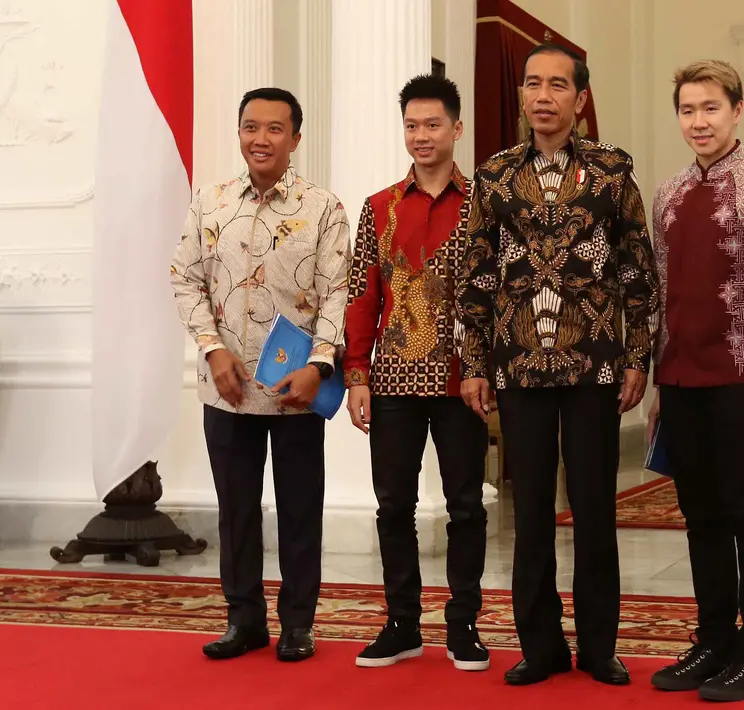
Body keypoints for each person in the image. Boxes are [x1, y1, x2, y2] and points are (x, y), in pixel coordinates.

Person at [454, 43, 659, 687]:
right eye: (532, 84)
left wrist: (636, 356)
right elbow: (477, 274)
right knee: (531, 511)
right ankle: (540, 646)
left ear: (580, 98)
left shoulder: (610, 172)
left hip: (595, 365)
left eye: (557, 86)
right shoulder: (494, 176)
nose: (543, 96)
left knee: (596, 507)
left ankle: (600, 646)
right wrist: (475, 362)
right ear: (521, 96)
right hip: (518, 365)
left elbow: (637, 270)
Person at [170, 87, 350, 663]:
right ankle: (243, 618)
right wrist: (211, 350)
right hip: (225, 389)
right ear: (239, 133)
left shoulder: (323, 208)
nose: (261, 139)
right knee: (236, 509)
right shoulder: (211, 202)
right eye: (251, 127)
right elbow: (184, 278)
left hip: (293, 390)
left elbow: (337, 294)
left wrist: (319, 367)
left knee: (300, 509)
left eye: (275, 129)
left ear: (296, 139)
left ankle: (298, 623)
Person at [646, 60, 744, 702]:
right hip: (682, 379)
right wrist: (661, 382)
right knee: (698, 515)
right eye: (687, 109)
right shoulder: (668, 193)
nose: (698, 121)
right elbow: (661, 293)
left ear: (737, 110)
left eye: (710, 107)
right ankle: (713, 641)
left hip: (743, 380)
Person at [343, 74, 490, 672]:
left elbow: (494, 296)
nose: (421, 136)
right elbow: (361, 295)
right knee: (392, 506)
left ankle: (465, 626)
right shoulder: (378, 208)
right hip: (394, 382)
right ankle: (402, 624)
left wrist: (484, 370)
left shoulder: (485, 205)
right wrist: (357, 374)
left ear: (457, 128)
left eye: (433, 125)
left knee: (466, 508)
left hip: (462, 383)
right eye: (411, 125)